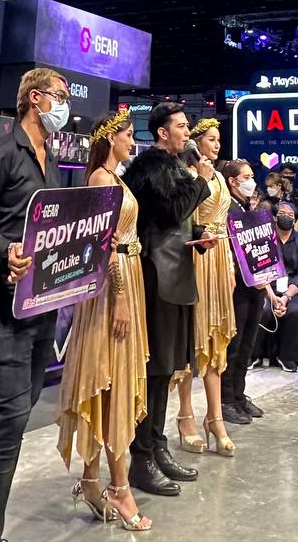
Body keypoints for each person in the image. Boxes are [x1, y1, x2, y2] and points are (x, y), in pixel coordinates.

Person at [0, 66, 68, 542]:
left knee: (19, 415)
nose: (66, 105)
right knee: (9, 420)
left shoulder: (51, 160)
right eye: (60, 95)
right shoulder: (0, 154)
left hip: (40, 307)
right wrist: (6, 250)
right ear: (35, 98)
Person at [56, 112, 151, 532]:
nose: (133, 141)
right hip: (113, 288)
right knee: (109, 379)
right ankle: (120, 487)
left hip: (127, 279)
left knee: (112, 379)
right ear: (110, 137)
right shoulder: (100, 179)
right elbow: (104, 245)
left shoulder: (114, 178)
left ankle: (94, 481)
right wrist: (122, 297)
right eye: (128, 135)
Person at [122, 102, 213, 497]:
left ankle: (157, 448)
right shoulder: (150, 166)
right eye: (181, 126)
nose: (187, 133)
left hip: (177, 276)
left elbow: (179, 221)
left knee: (167, 372)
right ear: (162, 132)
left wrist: (201, 237)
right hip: (156, 277)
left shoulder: (175, 167)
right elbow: (173, 209)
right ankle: (140, 458)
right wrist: (202, 180)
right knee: (155, 370)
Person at [174, 118, 237, 458]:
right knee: (192, 337)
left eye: (218, 139)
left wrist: (230, 265)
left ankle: (215, 418)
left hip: (220, 257)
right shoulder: (187, 175)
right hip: (196, 256)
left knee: (216, 339)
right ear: (196, 142)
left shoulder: (220, 176)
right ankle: (185, 416)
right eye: (211, 139)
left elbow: (224, 221)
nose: (217, 144)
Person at [220, 160, 266, 426]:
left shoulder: (248, 207)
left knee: (248, 344)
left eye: (252, 176)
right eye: (246, 177)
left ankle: (239, 394)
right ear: (232, 181)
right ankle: (226, 399)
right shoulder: (227, 208)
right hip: (238, 286)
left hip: (255, 284)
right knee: (234, 346)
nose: (251, 181)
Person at [265, 199, 298, 370]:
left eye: (290, 215)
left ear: (295, 220)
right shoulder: (265, 239)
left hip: (291, 290)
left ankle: (286, 356)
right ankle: (253, 355)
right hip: (267, 288)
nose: (286, 217)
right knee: (262, 310)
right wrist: (272, 297)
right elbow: (259, 270)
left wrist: (285, 297)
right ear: (274, 217)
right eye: (282, 214)